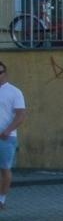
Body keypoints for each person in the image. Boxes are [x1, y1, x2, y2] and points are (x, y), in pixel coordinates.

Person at [0, 60, 25, 210]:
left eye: (0, 72)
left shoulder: (14, 92)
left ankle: (1, 200)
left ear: (5, 73)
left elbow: (21, 115)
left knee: (4, 169)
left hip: (6, 138)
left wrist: (8, 130)